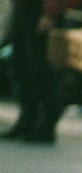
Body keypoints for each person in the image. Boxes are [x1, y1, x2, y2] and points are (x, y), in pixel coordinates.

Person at [3, 0, 65, 143]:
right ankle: (27, 119)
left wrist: (49, 14)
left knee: (38, 67)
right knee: (20, 64)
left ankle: (46, 122)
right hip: (22, 6)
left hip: (39, 8)